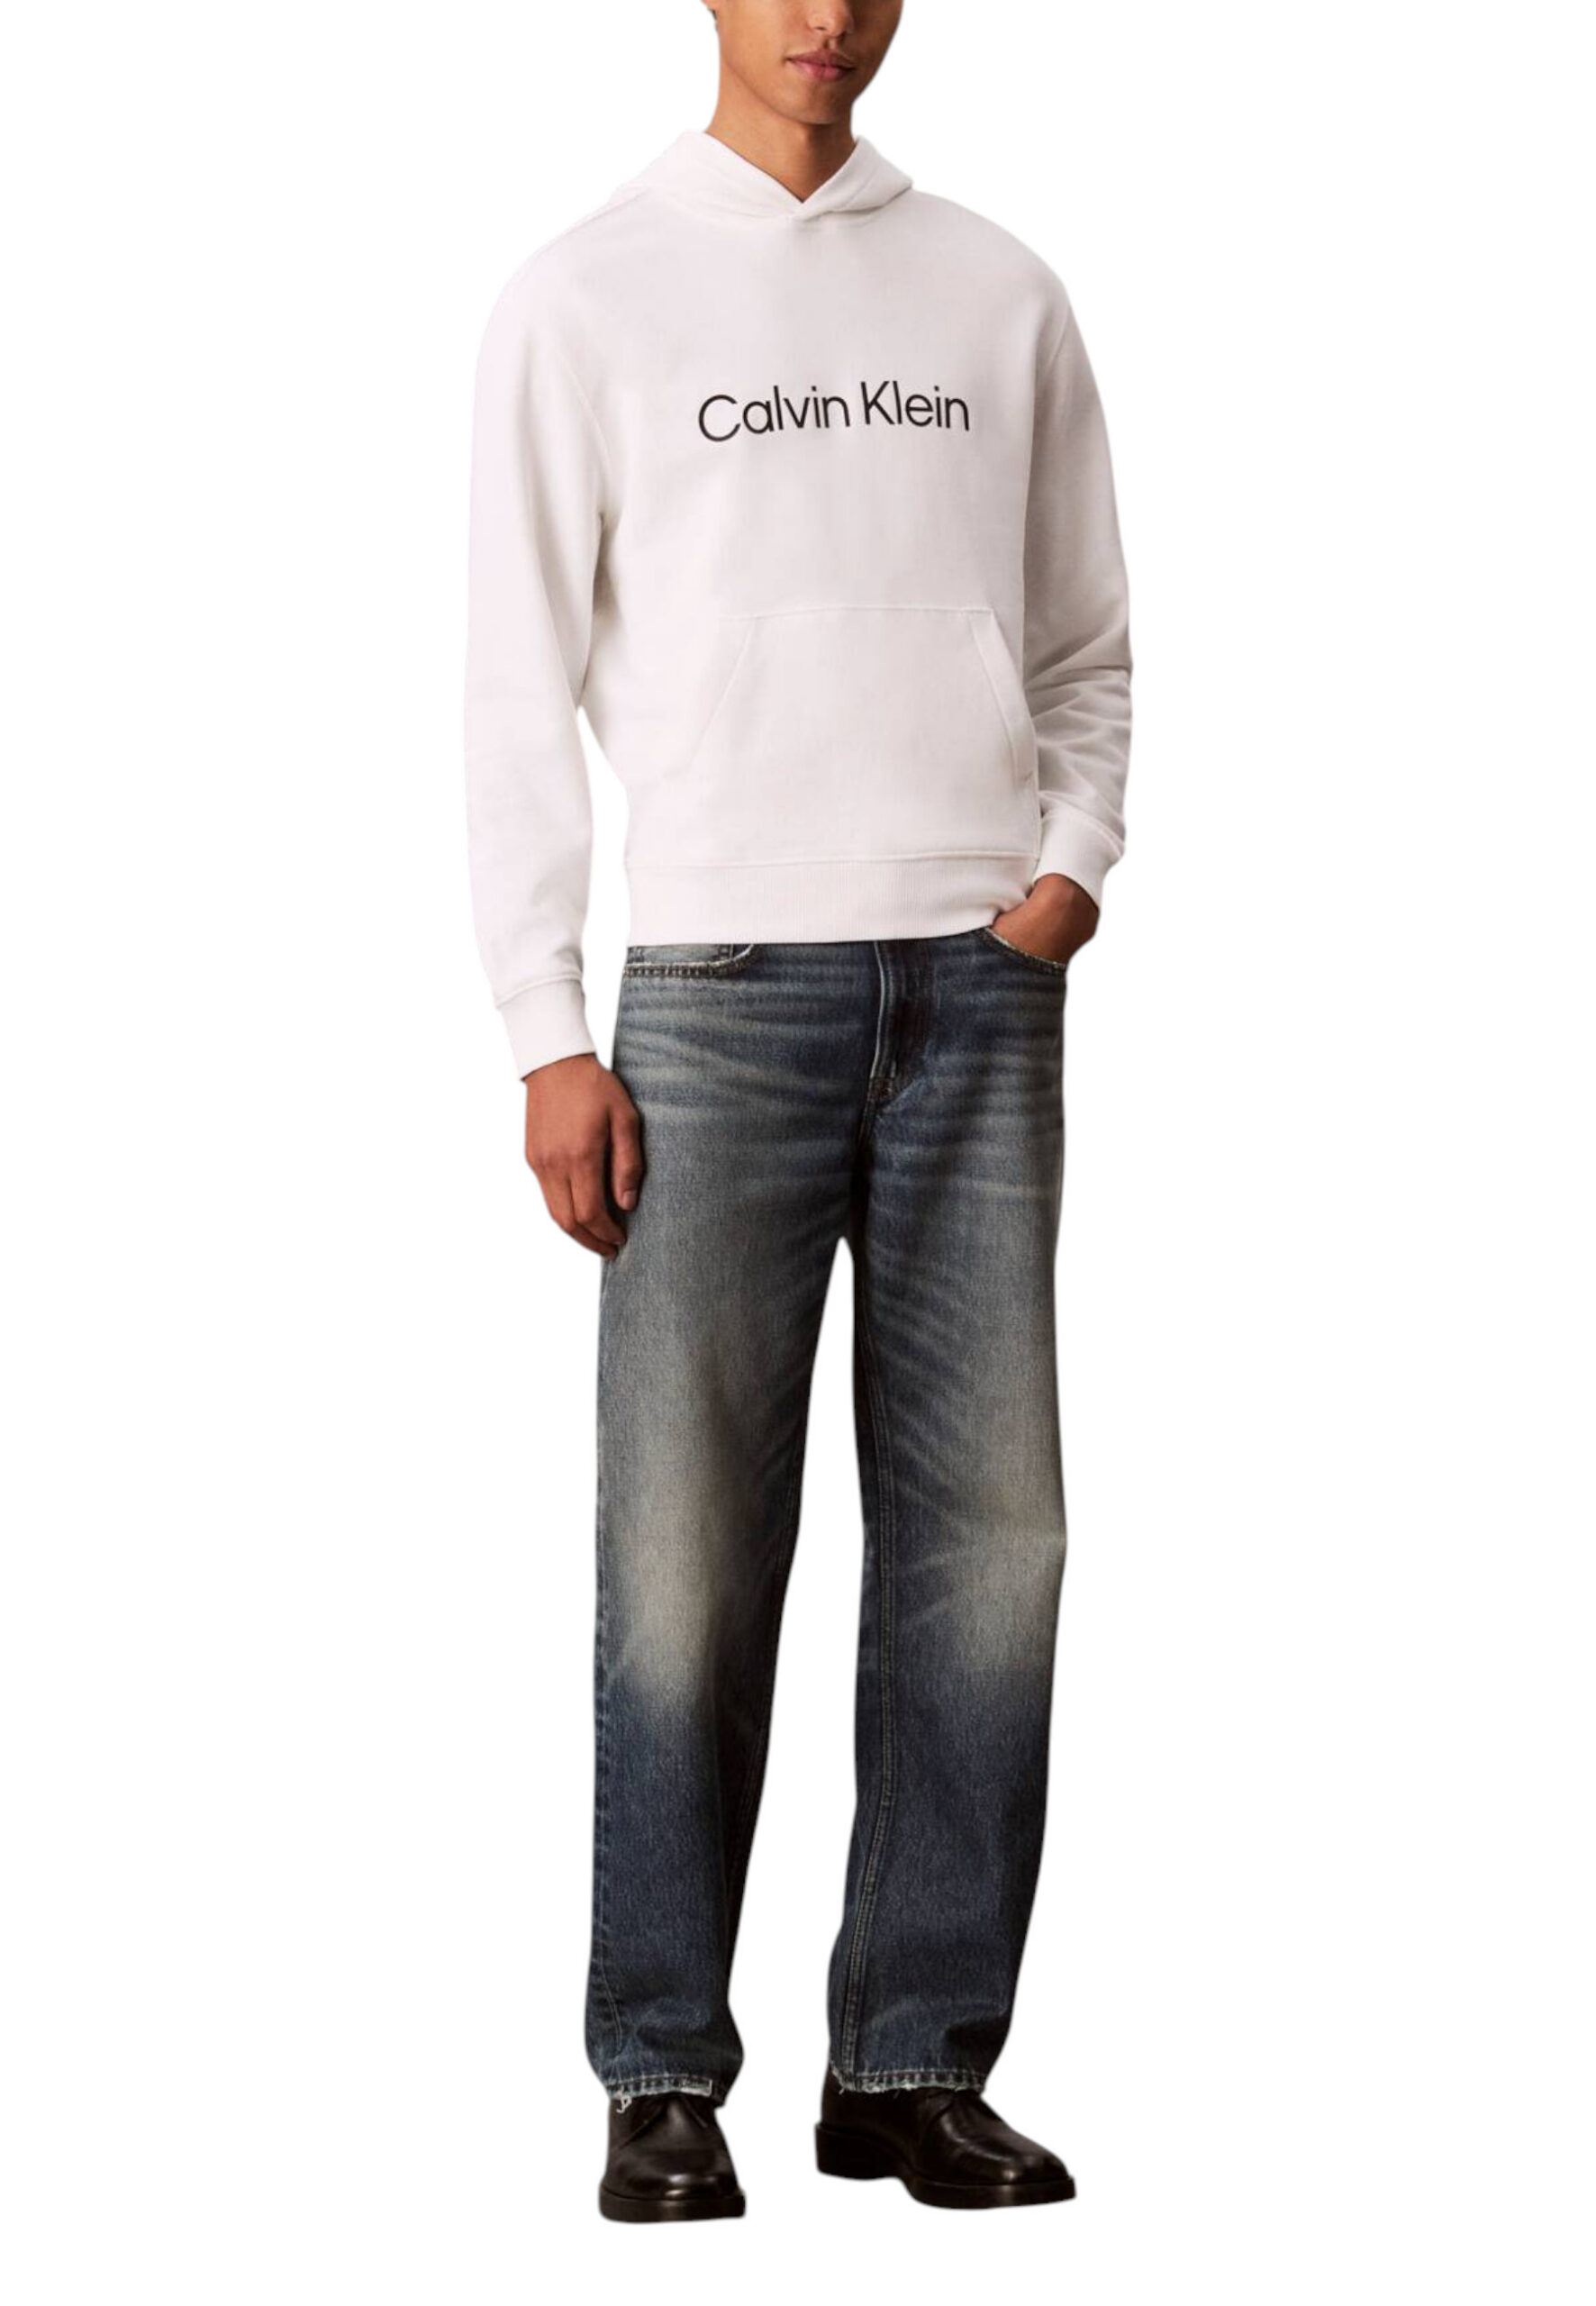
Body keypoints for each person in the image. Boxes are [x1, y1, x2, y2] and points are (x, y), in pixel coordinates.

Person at [465, 0, 1131, 2222]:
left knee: (991, 1540)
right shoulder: (587, 294)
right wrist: (545, 1026)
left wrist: (1067, 868)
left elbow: (1082, 638)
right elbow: (510, 687)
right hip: (717, 1002)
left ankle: (912, 2059)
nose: (825, 20)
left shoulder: (997, 291)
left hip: (977, 988)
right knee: (683, 1552)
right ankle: (662, 2065)